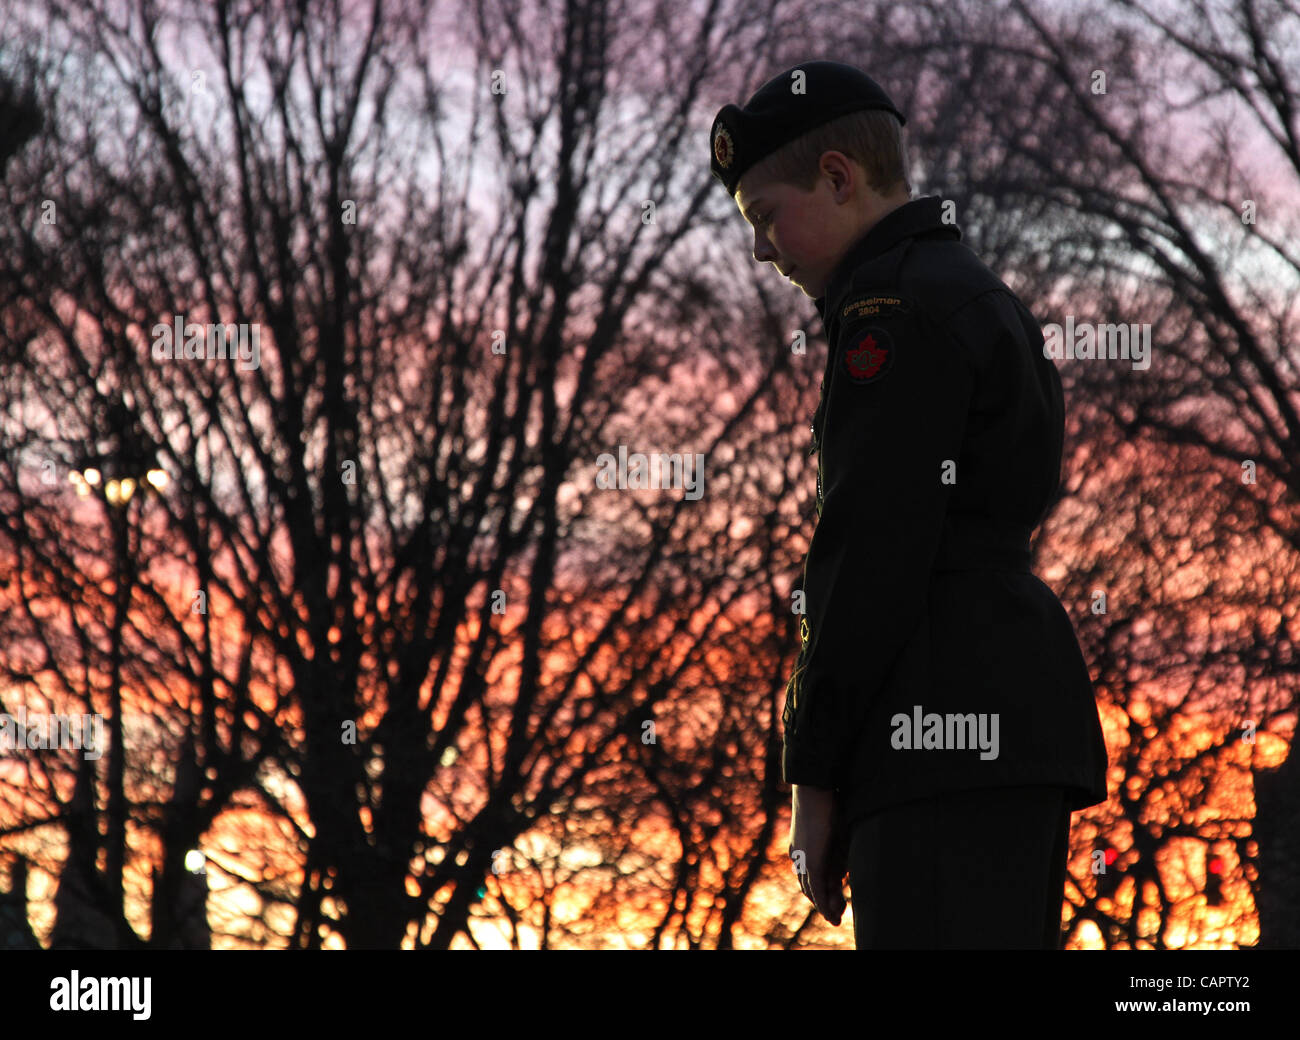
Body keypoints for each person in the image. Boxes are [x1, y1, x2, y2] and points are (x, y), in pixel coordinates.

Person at [709, 60, 1109, 948]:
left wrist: (814, 775)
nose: (763, 250)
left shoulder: (889, 314)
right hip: (1011, 713)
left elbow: (871, 549)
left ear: (839, 179)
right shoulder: (969, 289)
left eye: (766, 217)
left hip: (932, 729)